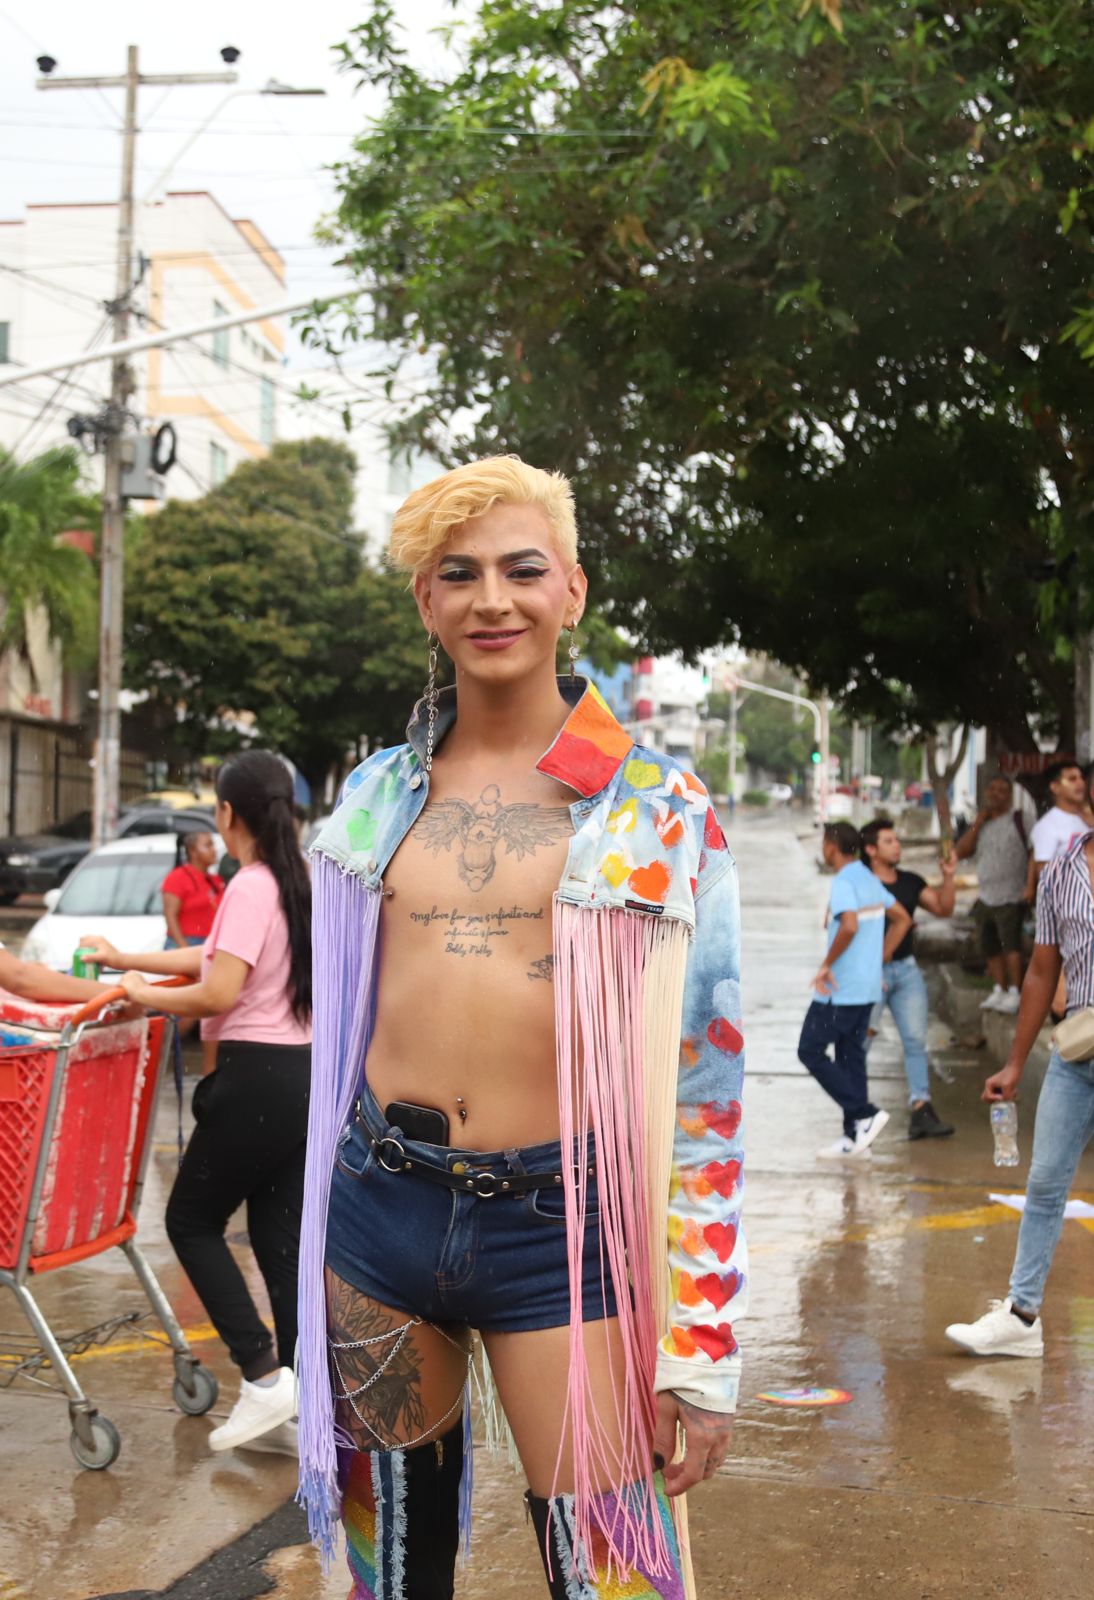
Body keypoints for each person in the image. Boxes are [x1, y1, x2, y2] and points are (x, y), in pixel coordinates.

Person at [295, 457, 746, 1599]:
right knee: (384, 1573)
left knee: (609, 1579)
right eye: (459, 573)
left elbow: (704, 1086)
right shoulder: (374, 799)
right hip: (377, 1210)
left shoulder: (651, 806)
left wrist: (697, 1349)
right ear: (425, 602)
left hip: (565, 1226)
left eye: (520, 569)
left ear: (572, 591)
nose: (491, 598)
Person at [81, 750, 312, 1453]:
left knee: (190, 1220)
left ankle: (264, 1378)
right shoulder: (294, 880)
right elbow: (211, 958)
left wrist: (136, 996)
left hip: (255, 1078)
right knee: (279, 1246)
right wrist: (129, 961)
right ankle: (301, 1406)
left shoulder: (247, 885)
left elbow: (217, 992)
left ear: (226, 813)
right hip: (303, 1077)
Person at [945, 817, 1094, 1359]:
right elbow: (1041, 970)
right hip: (1078, 1054)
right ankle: (1022, 1316)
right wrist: (1013, 1064)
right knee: (1046, 1183)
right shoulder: (1060, 873)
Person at [798, 821, 912, 1159]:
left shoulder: (846, 880)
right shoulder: (868, 877)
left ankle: (864, 1113)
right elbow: (902, 918)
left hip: (841, 989)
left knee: (810, 1051)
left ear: (832, 845)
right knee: (850, 1057)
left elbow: (849, 925)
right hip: (867, 987)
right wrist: (879, 956)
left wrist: (826, 964)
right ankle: (854, 1139)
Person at [860, 819, 956, 1140]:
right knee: (861, 1044)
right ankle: (856, 1111)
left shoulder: (911, 882)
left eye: (897, 840)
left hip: (906, 970)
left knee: (915, 1041)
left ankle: (921, 1109)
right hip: (870, 973)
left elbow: (943, 908)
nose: (897, 845)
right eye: (889, 841)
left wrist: (949, 876)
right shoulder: (859, 882)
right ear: (871, 849)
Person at [954, 775, 1031, 1015]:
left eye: (1002, 790)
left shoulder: (1021, 820)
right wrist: (978, 822)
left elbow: (1036, 853)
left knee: (1011, 945)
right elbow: (961, 851)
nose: (996, 794)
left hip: (1012, 894)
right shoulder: (981, 823)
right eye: (992, 789)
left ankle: (1015, 992)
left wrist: (1031, 885)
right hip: (986, 894)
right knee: (989, 944)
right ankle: (999, 988)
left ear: (1009, 795)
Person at [161, 830, 224, 948]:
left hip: (210, 943)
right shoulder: (177, 877)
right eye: (208, 845)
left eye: (213, 845)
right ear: (192, 851)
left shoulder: (216, 880)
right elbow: (170, 916)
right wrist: (184, 948)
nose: (214, 850)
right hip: (185, 942)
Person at [1029, 759, 1091, 874]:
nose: (1080, 783)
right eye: (1072, 779)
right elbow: (1045, 873)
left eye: (1082, 778)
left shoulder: (1089, 818)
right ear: (1055, 787)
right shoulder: (1047, 826)